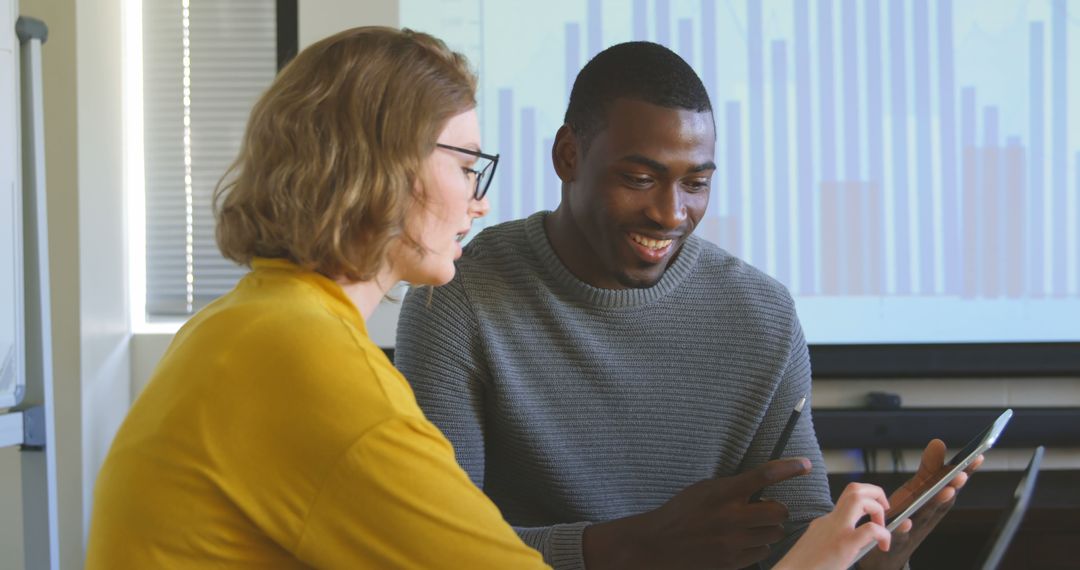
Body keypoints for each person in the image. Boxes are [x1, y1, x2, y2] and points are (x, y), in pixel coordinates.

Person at [395, 41, 977, 570]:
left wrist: (868, 556)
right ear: (568, 156)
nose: (672, 214)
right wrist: (627, 547)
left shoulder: (762, 315)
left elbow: (793, 536)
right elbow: (432, 544)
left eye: (695, 184)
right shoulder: (458, 295)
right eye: (641, 177)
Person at [85, 27, 549, 568]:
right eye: (467, 168)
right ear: (381, 167)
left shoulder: (243, 320)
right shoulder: (306, 356)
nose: (479, 204)